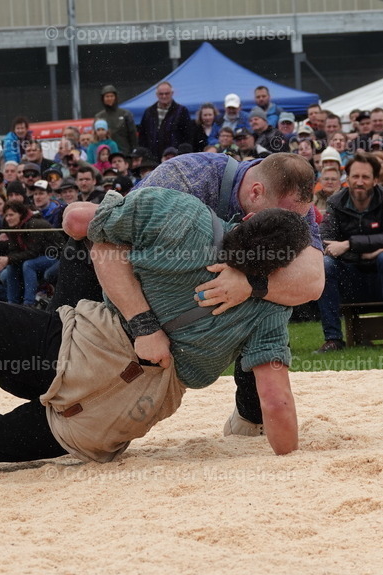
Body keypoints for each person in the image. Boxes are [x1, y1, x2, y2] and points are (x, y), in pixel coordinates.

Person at [0, 188, 309, 485]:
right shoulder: (269, 314)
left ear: (245, 218)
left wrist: (144, 320)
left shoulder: (186, 217)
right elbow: (278, 410)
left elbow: (85, 226)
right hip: (106, 422)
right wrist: (292, 454)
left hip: (72, 353)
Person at [53, 151, 323, 438]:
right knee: (63, 354)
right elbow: (107, 244)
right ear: (256, 192)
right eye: (283, 218)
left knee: (266, 313)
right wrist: (144, 325)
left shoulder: (294, 205)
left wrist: (251, 283)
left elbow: (313, 282)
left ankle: (250, 417)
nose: (289, 228)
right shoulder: (186, 177)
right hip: (115, 267)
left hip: (199, 295)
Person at [315, 151, 383, 352]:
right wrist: (364, 253)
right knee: (325, 263)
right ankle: (333, 339)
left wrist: (348, 244)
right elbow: (325, 243)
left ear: (375, 180)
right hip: (351, 280)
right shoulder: (336, 202)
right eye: (355, 176)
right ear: (347, 178)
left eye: (365, 177)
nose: (359, 181)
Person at [138, 82, 194, 161]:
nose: (164, 96)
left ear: (172, 93)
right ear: (157, 95)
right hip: (153, 157)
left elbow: (188, 135)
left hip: (174, 157)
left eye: (167, 93)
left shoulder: (181, 111)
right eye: (161, 94)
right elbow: (143, 135)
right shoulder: (149, 112)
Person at [93, 85, 137, 155]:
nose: (109, 98)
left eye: (112, 96)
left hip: (124, 152)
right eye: (107, 96)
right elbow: (95, 137)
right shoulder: (99, 116)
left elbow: (132, 134)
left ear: (116, 98)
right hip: (105, 154)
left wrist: (134, 150)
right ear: (103, 99)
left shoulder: (125, 114)